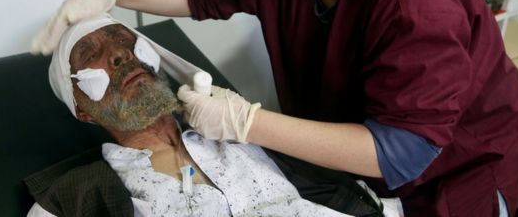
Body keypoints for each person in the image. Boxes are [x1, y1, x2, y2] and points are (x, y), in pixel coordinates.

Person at [32, 0, 518, 216]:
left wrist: (247, 123)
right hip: (352, 178)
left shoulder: (416, 0)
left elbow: (401, 151)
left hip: (449, 176)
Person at [28, 14, 392, 217]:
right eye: (91, 52)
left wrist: (249, 124)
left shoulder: (238, 128)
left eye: (122, 38)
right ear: (82, 109)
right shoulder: (79, 194)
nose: (120, 54)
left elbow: (378, 159)